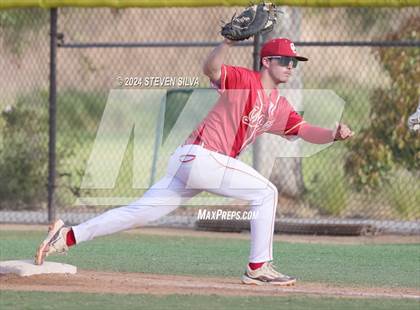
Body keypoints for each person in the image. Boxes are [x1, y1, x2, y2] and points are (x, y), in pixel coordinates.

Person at [35, 37, 354, 286]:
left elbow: (304, 130)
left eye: (294, 62)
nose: (290, 66)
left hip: (194, 164)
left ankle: (68, 236)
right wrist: (227, 43)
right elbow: (211, 70)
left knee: (138, 213)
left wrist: (332, 133)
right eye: (284, 60)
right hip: (200, 157)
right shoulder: (245, 80)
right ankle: (258, 268)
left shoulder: (280, 106)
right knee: (266, 192)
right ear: (267, 61)